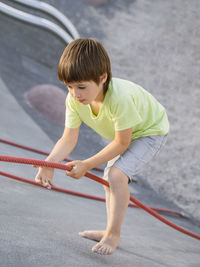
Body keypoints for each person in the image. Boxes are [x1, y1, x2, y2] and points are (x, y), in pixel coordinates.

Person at [35, 38, 169, 255]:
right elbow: (68, 138)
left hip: (150, 132)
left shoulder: (119, 99)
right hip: (129, 132)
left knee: (115, 176)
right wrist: (49, 163)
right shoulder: (74, 100)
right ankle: (109, 229)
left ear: (103, 78)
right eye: (69, 87)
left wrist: (86, 164)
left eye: (81, 87)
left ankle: (114, 234)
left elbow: (122, 142)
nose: (75, 94)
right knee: (109, 178)